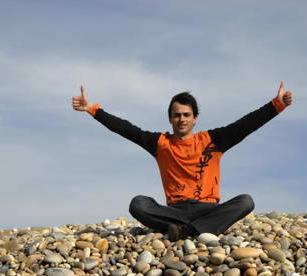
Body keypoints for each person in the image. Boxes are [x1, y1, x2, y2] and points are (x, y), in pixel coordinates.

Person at [72, 82, 293, 241]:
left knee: (246, 201)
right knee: (138, 203)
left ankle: (184, 231)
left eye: (186, 115)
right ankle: (198, 230)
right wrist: (93, 110)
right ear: (170, 118)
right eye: (177, 115)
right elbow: (126, 129)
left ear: (195, 118)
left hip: (208, 208)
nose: (182, 119)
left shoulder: (212, 141)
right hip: (174, 211)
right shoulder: (160, 143)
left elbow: (246, 124)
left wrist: (276, 105)